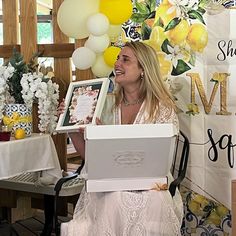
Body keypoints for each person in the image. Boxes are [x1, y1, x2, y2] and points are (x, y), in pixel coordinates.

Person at [60, 41, 183, 236]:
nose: (117, 64)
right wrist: (72, 126)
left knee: (148, 201)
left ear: (143, 69)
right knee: (113, 198)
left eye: (125, 60)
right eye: (117, 58)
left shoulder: (162, 108)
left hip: (150, 185)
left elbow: (160, 160)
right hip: (108, 183)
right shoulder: (104, 105)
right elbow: (90, 159)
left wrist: (110, 140)